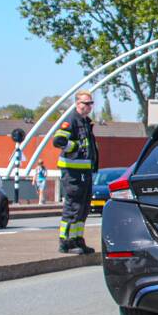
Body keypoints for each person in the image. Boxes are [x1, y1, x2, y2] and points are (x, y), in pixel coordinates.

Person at [53, 90, 100, 254]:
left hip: (84, 171)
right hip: (72, 171)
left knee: (83, 207)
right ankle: (65, 241)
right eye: (85, 103)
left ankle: (77, 239)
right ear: (77, 104)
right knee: (73, 206)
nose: (88, 106)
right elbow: (58, 141)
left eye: (90, 103)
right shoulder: (71, 120)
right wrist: (75, 147)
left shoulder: (86, 122)